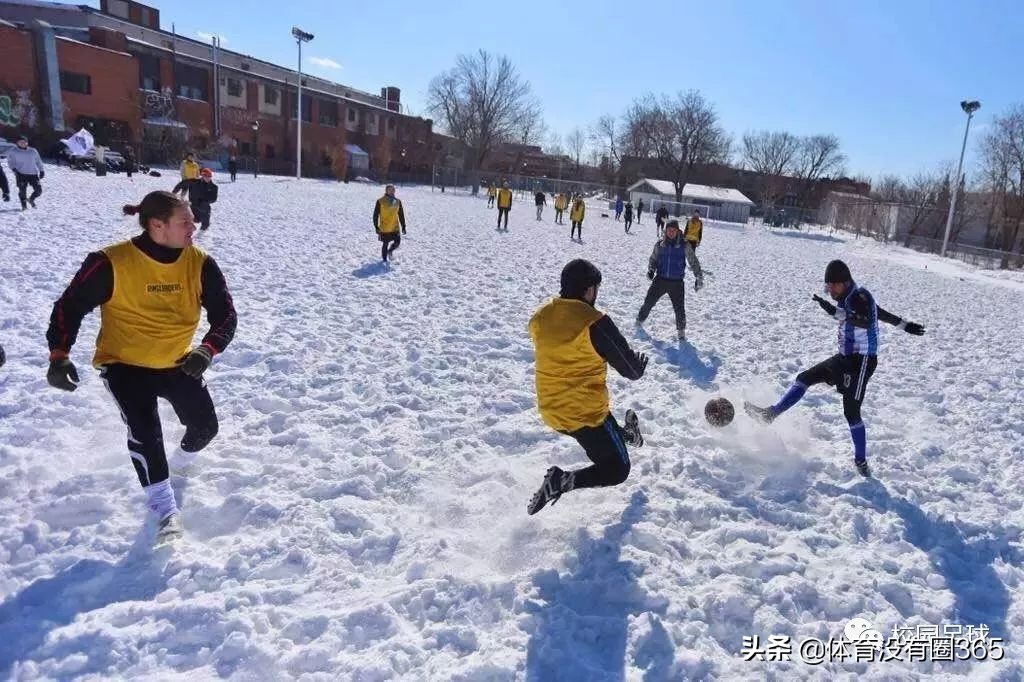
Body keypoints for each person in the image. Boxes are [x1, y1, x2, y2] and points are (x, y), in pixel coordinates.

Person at [45, 191, 237, 540]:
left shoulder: (200, 262)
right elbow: (69, 306)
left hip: (179, 362)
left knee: (206, 428)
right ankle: (164, 507)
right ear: (157, 226)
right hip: (125, 365)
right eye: (185, 221)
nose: (193, 226)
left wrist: (207, 350)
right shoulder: (111, 262)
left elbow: (225, 315)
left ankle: (177, 469)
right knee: (146, 431)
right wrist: (59, 355)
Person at [743, 260, 926, 477]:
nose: (829, 290)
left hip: (862, 362)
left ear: (843, 282)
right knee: (804, 378)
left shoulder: (860, 296)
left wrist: (836, 313)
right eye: (827, 286)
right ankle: (770, 414)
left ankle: (861, 461)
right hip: (844, 358)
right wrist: (904, 325)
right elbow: (880, 313)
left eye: (832, 286)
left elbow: (867, 320)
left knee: (851, 412)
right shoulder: (850, 297)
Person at [526, 259, 649, 515]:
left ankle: (626, 435)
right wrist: (637, 366)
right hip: (585, 414)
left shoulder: (540, 317)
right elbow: (630, 370)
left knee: (592, 412)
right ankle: (562, 481)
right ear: (589, 290)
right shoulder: (594, 321)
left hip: (551, 411)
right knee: (617, 468)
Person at [636, 219, 703, 341]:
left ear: (678, 231)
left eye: (674, 230)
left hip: (677, 283)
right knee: (649, 301)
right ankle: (639, 320)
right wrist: (651, 270)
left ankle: (681, 331)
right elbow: (653, 259)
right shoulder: (660, 245)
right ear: (665, 231)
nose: (671, 232)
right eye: (669, 230)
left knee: (679, 308)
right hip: (660, 280)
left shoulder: (684, 245)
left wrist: (698, 277)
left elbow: (693, 262)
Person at [7, 135, 44, 210]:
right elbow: (10, 162)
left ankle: (31, 199)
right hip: (21, 174)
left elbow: (38, 161)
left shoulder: (33, 151)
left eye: (24, 142)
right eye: (20, 142)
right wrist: (14, 169)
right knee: (22, 191)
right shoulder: (13, 151)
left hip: (33, 174)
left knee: (38, 190)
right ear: (17, 143)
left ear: (27, 143)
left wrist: (41, 170)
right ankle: (24, 206)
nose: (23, 143)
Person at [373, 184, 407, 262]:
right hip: (385, 227)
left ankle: (390, 251)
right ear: (386, 191)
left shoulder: (398, 201)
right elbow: (375, 214)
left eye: (393, 189)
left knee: (397, 242)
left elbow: (401, 214)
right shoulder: (380, 201)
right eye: (390, 190)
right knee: (385, 243)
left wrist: (403, 226)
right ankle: (384, 260)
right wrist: (376, 226)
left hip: (395, 226)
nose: (392, 191)